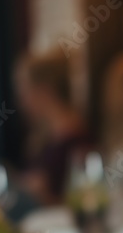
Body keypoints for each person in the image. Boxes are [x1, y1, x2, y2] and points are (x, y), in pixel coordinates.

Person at [14, 51, 95, 206]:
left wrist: (43, 195)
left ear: (44, 91)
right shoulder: (42, 137)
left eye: (25, 92)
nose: (21, 102)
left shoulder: (79, 141)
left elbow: (87, 201)